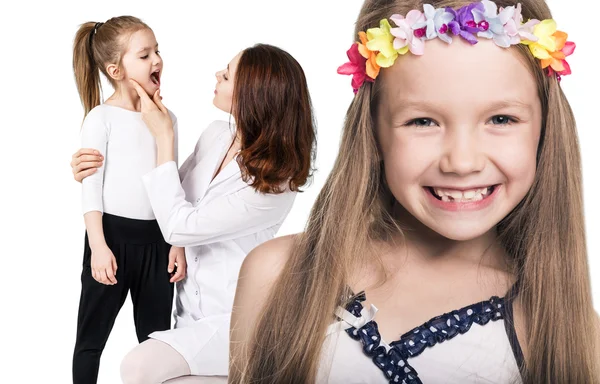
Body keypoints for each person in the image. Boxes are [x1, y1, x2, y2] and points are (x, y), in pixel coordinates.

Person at [229, 1, 600, 383]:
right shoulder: (277, 276)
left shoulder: (566, 329)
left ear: (545, 129)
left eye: (501, 119)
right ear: (373, 130)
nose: (462, 162)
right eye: (422, 121)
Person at [71, 44, 316, 383]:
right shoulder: (217, 134)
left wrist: (164, 135)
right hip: (187, 313)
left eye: (227, 75)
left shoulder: (275, 184)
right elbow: (172, 194)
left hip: (235, 321)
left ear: (252, 95)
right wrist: (97, 169)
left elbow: (178, 224)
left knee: (139, 366)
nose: (218, 75)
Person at [71, 16, 184, 384]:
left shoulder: (168, 120)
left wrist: (176, 243)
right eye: (145, 54)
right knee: (91, 340)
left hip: (158, 243)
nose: (156, 61)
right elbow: (91, 189)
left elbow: (172, 186)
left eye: (157, 52)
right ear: (116, 69)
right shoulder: (101, 118)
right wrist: (98, 246)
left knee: (155, 343)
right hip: (112, 242)